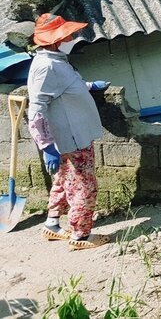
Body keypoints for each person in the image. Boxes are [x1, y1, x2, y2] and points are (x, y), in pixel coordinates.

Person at [26, 14, 111, 250]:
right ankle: (80, 235)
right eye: (68, 35)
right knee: (85, 184)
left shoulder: (54, 60)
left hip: (70, 135)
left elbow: (65, 85)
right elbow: (36, 110)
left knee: (64, 178)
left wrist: (89, 86)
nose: (73, 38)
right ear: (54, 41)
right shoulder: (47, 66)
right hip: (73, 137)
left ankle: (52, 224)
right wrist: (46, 147)